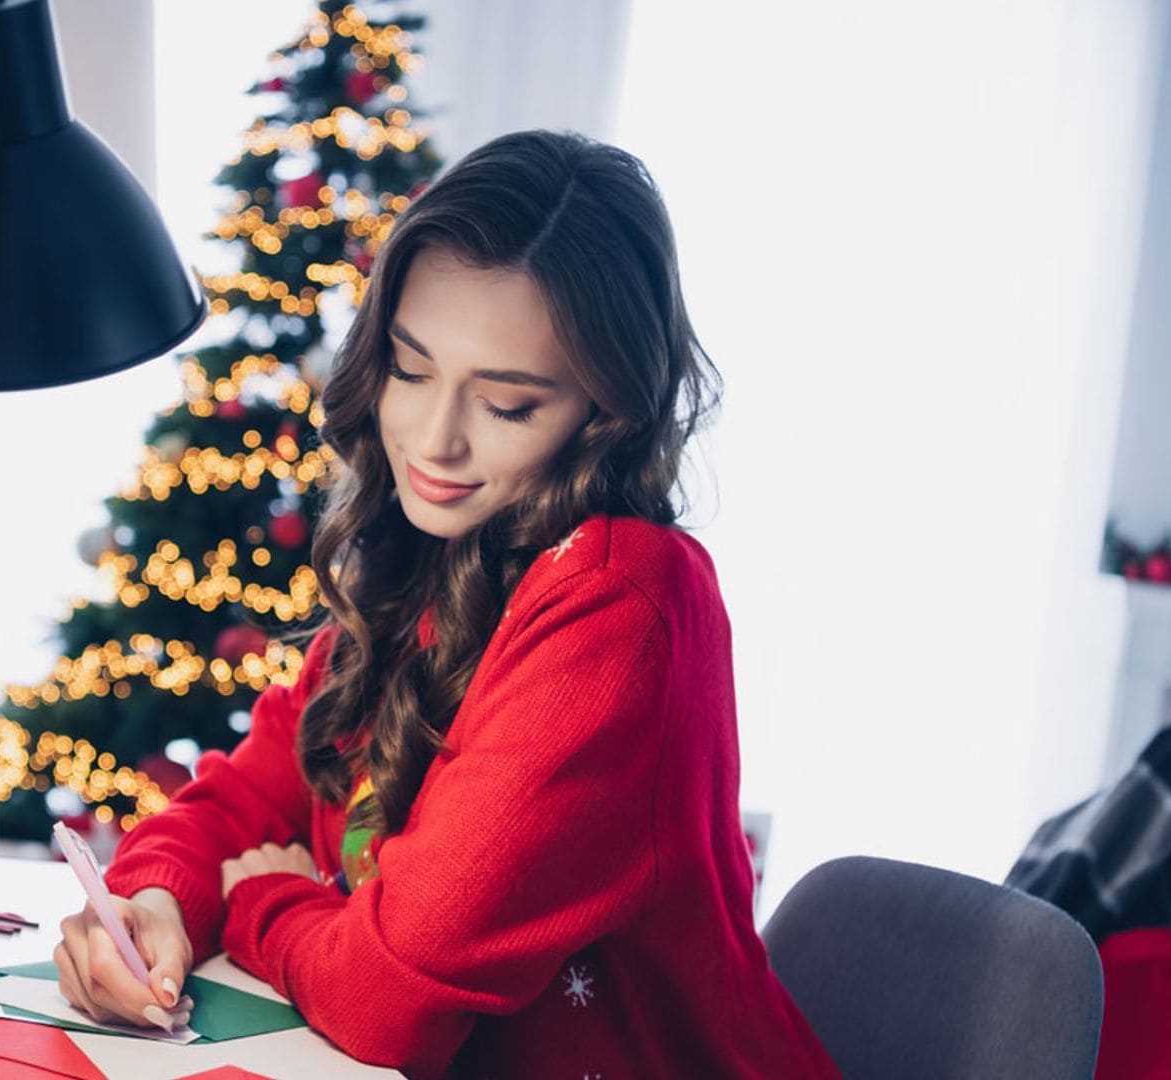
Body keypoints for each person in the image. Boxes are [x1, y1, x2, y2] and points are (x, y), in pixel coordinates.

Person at [50, 129, 838, 1079]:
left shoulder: (620, 598)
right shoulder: (432, 556)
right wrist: (153, 902)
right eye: (411, 368)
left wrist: (269, 905)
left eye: (507, 406)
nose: (433, 441)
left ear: (607, 409)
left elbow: (391, 999)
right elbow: (249, 794)